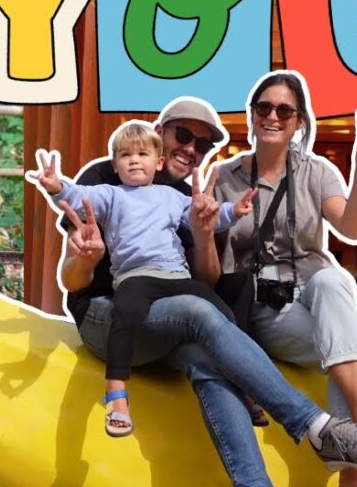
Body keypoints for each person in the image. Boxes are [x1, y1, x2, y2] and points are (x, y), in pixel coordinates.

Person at [57, 97, 357, 487]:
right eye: (183, 135)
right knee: (196, 310)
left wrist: (204, 233)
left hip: (166, 318)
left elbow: (205, 280)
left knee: (208, 356)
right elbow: (72, 281)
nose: (190, 149)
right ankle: (317, 427)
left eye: (202, 145)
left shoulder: (188, 197)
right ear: (160, 133)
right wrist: (87, 259)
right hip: (107, 315)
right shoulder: (108, 176)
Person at [206, 71, 357, 487]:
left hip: (314, 288)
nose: (272, 116)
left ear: (299, 122)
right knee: (349, 346)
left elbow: (352, 227)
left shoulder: (315, 170)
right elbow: (210, 265)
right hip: (262, 304)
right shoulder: (223, 176)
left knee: (333, 279)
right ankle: (354, 473)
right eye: (264, 107)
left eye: (284, 110)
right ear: (252, 115)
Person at [27, 121, 255, 437]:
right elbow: (79, 198)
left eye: (142, 154)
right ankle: (116, 392)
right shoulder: (109, 191)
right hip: (133, 279)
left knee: (223, 310)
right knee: (127, 309)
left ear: (157, 161)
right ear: (116, 164)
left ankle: (245, 381)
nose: (134, 160)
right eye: (126, 155)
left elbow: (206, 219)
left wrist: (234, 211)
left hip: (174, 277)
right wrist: (56, 187)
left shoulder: (173, 196)